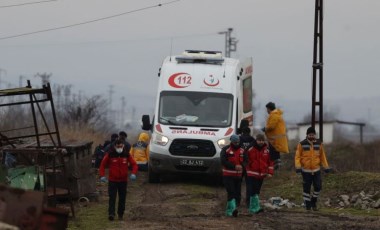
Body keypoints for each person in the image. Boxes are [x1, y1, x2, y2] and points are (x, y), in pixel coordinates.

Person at [99, 138, 138, 221]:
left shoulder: (127, 154)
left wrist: (133, 173)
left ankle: (120, 214)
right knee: (112, 197)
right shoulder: (110, 155)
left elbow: (134, 164)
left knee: (122, 198)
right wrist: (102, 175)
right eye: (118, 146)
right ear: (115, 146)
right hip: (113, 180)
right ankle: (111, 214)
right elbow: (102, 165)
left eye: (121, 146)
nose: (119, 148)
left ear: (123, 146)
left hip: (123, 181)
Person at [295, 126, 331, 211]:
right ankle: (307, 205)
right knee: (306, 189)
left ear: (315, 135)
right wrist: (298, 167)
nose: (311, 136)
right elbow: (297, 157)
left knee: (318, 187)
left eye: (313, 134)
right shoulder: (301, 144)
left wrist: (326, 167)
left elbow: (322, 156)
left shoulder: (319, 143)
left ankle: (313, 201)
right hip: (305, 171)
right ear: (307, 135)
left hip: (316, 170)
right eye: (310, 135)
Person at [245, 134, 274, 214]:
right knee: (251, 190)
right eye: (259, 140)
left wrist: (270, 172)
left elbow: (270, 162)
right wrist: (248, 166)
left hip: (261, 175)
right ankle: (252, 207)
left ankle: (255, 207)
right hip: (251, 173)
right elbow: (244, 158)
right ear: (256, 140)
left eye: (262, 140)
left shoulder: (267, 150)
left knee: (257, 191)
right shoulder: (250, 148)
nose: (261, 142)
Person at [220, 134, 245, 217]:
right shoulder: (225, 149)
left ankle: (235, 208)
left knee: (238, 193)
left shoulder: (243, 150)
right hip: (228, 175)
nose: (236, 143)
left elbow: (247, 161)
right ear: (232, 141)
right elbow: (223, 161)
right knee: (231, 192)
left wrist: (242, 166)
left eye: (238, 142)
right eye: (235, 142)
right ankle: (231, 210)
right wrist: (234, 166)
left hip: (238, 176)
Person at [262, 102, 289, 169]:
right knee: (276, 153)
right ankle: (277, 168)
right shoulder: (277, 115)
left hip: (275, 139)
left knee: (274, 154)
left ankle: (275, 168)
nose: (266, 111)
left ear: (269, 108)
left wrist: (265, 128)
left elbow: (271, 126)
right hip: (276, 139)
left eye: (267, 109)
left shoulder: (274, 115)